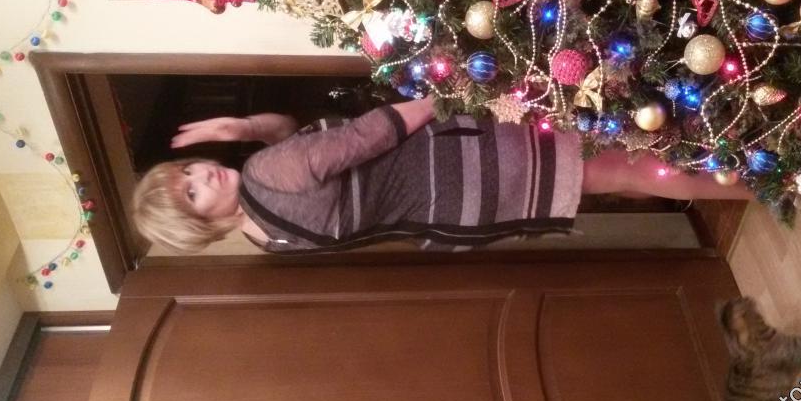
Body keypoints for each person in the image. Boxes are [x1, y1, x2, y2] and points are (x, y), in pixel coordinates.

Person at [132, 96, 750, 254]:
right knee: (625, 162)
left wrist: (244, 126)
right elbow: (371, 134)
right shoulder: (265, 173)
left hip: (466, 208)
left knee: (615, 178)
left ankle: (750, 179)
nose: (203, 173)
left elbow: (298, 141)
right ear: (198, 225)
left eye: (187, 169)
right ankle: (757, 178)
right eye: (192, 193)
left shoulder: (265, 238)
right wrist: (447, 83)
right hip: (468, 157)